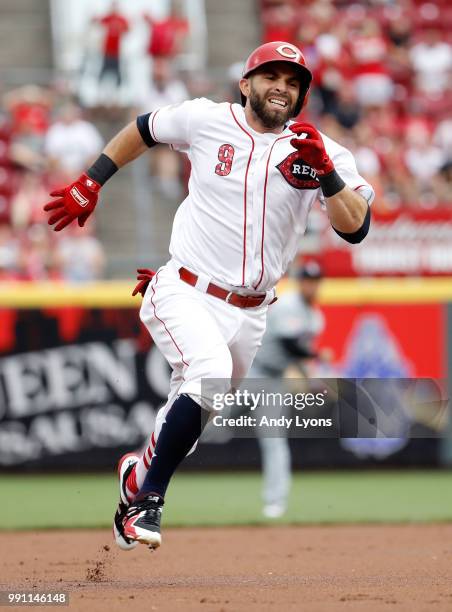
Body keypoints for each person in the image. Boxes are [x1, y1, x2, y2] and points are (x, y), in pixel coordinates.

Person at [43, 41, 374, 551]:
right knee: (207, 372)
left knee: (194, 420)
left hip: (252, 314)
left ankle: (136, 475)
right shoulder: (206, 120)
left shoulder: (320, 150)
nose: (281, 87)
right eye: (270, 76)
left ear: (303, 93)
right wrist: (92, 180)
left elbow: (355, 229)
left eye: (292, 81)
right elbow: (143, 128)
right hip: (186, 289)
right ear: (246, 84)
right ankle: (147, 503)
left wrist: (326, 172)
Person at [249, 261, 326, 518]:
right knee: (199, 422)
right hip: (249, 370)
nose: (310, 285)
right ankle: (146, 469)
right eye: (307, 280)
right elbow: (291, 345)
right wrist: (317, 356)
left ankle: (275, 501)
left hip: (274, 379)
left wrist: (311, 380)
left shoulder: (316, 318)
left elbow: (297, 358)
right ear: (300, 282)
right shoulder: (288, 303)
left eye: (315, 281)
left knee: (274, 440)